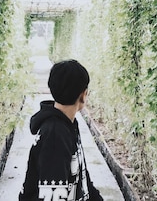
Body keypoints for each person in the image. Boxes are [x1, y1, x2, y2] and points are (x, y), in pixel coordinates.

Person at [19, 59, 104, 201]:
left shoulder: (69, 125)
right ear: (84, 95)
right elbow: (52, 195)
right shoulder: (54, 135)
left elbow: (82, 179)